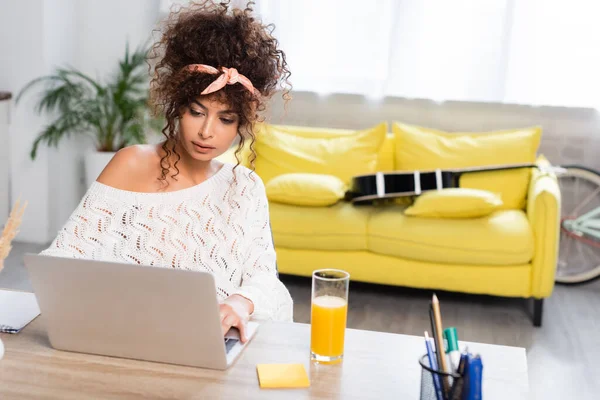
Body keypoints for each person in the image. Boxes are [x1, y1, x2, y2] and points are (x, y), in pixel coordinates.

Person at [40, 1, 293, 343]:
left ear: (242, 124)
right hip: (125, 339)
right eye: (196, 111)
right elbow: (60, 260)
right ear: (177, 104)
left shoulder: (244, 186)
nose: (207, 131)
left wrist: (239, 301)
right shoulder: (130, 163)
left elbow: (265, 279)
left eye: (225, 119)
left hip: (216, 343)